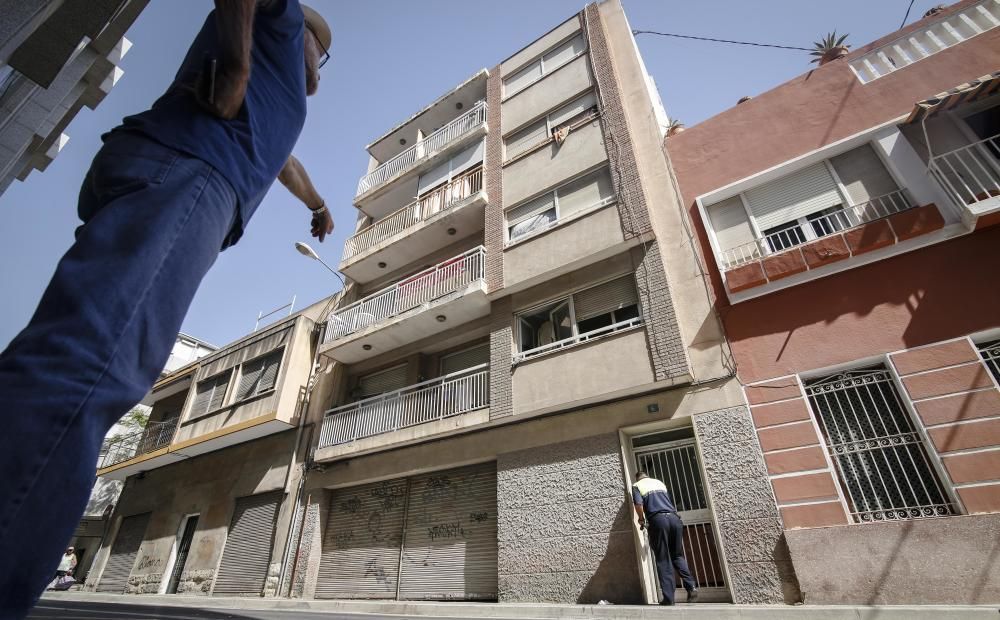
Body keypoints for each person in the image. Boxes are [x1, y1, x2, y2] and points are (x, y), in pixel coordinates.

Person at [0, 1, 332, 615]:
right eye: (324, 53)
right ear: (305, 38)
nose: (322, 68)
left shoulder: (284, 97)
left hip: (170, 170)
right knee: (88, 372)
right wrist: (234, 66)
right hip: (190, 174)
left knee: (82, 359)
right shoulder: (278, 34)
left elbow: (285, 164)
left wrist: (316, 204)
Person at [632, 471, 698, 605]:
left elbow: (638, 504)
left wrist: (641, 518)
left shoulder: (637, 486)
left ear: (637, 478)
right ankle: (691, 586)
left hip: (659, 520)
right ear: (647, 476)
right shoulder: (659, 483)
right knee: (677, 555)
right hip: (674, 519)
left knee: (663, 558)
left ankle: (669, 598)